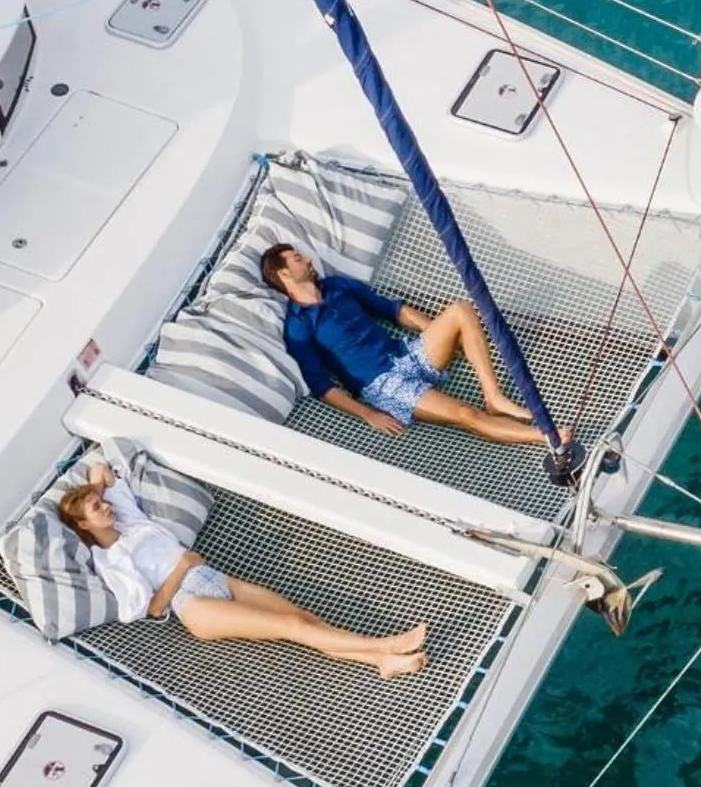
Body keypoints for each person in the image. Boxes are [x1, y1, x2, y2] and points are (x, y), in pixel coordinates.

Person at [57, 464, 428, 680]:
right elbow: (150, 610)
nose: (104, 507)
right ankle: (386, 644)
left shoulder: (127, 519)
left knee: (303, 617)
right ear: (84, 526)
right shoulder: (109, 561)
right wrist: (182, 566)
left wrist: (87, 494)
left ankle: (380, 662)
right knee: (292, 629)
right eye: (95, 509)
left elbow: (100, 470)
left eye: (101, 503)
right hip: (194, 604)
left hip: (215, 577)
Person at [259, 242, 551, 446]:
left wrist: (442, 333)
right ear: (283, 274)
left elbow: (393, 310)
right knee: (466, 415)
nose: (308, 260)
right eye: (298, 258)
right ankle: (547, 437)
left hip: (407, 353)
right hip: (384, 384)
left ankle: (494, 396)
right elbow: (322, 386)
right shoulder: (298, 326)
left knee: (460, 310)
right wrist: (369, 414)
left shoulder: (337, 286)